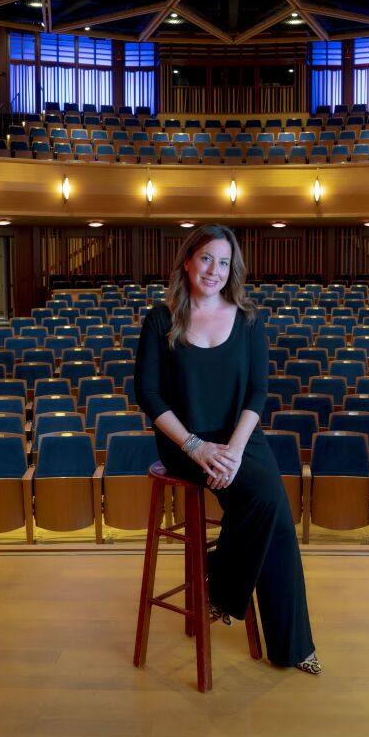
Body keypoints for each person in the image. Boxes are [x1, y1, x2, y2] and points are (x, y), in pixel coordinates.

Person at [135, 224, 319, 675]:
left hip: (239, 438)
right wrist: (197, 447)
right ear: (187, 261)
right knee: (270, 500)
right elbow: (149, 395)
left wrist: (234, 451)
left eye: (223, 262)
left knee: (271, 505)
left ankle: (221, 583)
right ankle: (290, 643)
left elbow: (257, 393)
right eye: (205, 259)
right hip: (185, 440)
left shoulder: (249, 319)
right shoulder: (161, 318)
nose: (214, 270)